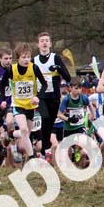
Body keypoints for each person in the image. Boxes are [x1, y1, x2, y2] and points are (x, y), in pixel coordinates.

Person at [0, 43, 47, 163]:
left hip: (31, 106)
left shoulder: (34, 68)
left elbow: (44, 84)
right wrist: (4, 99)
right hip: (18, 105)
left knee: (25, 134)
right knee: (24, 130)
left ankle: (11, 134)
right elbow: (2, 85)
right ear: (18, 57)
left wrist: (38, 97)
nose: (27, 60)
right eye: (24, 57)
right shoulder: (11, 69)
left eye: (28, 57)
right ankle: (32, 159)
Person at [34, 32, 73, 162]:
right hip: (41, 96)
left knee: (49, 124)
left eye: (47, 40)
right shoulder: (34, 61)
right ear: (38, 44)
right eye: (42, 40)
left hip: (54, 97)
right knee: (44, 118)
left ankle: (46, 151)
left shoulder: (55, 58)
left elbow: (68, 78)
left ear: (50, 44)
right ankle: (46, 150)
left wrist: (58, 68)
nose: (44, 43)